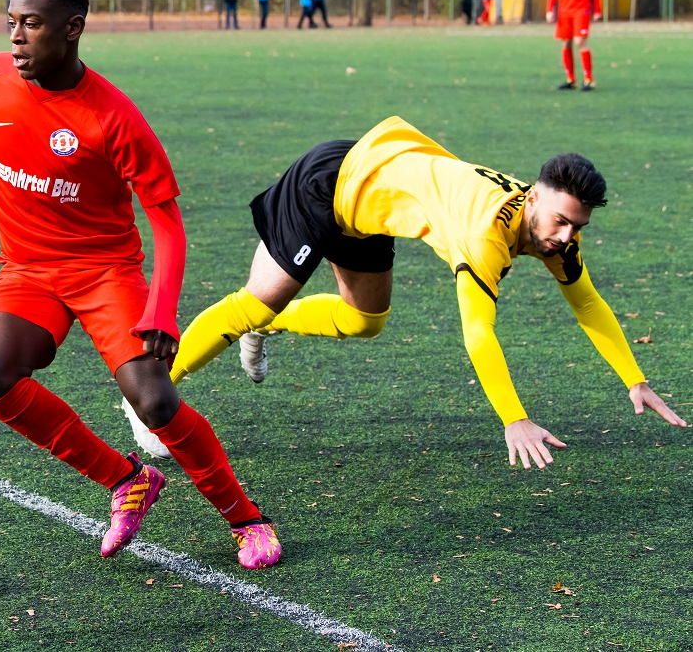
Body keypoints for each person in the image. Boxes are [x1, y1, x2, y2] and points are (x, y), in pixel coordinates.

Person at [0, 0, 280, 570]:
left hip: (104, 272)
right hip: (26, 269)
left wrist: (161, 310)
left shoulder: (113, 118)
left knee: (154, 403)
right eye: (11, 23)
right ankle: (125, 479)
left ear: (72, 28)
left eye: (31, 24)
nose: (16, 38)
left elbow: (167, 222)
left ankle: (246, 519)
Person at [128, 116, 686, 471]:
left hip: (372, 207)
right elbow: (476, 331)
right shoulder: (484, 231)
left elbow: (587, 302)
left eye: (578, 227)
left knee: (364, 320)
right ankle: (150, 396)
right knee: (259, 298)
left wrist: (634, 378)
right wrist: (513, 417)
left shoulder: (552, 234)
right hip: (329, 188)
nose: (567, 237)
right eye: (562, 220)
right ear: (535, 196)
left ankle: (267, 328)